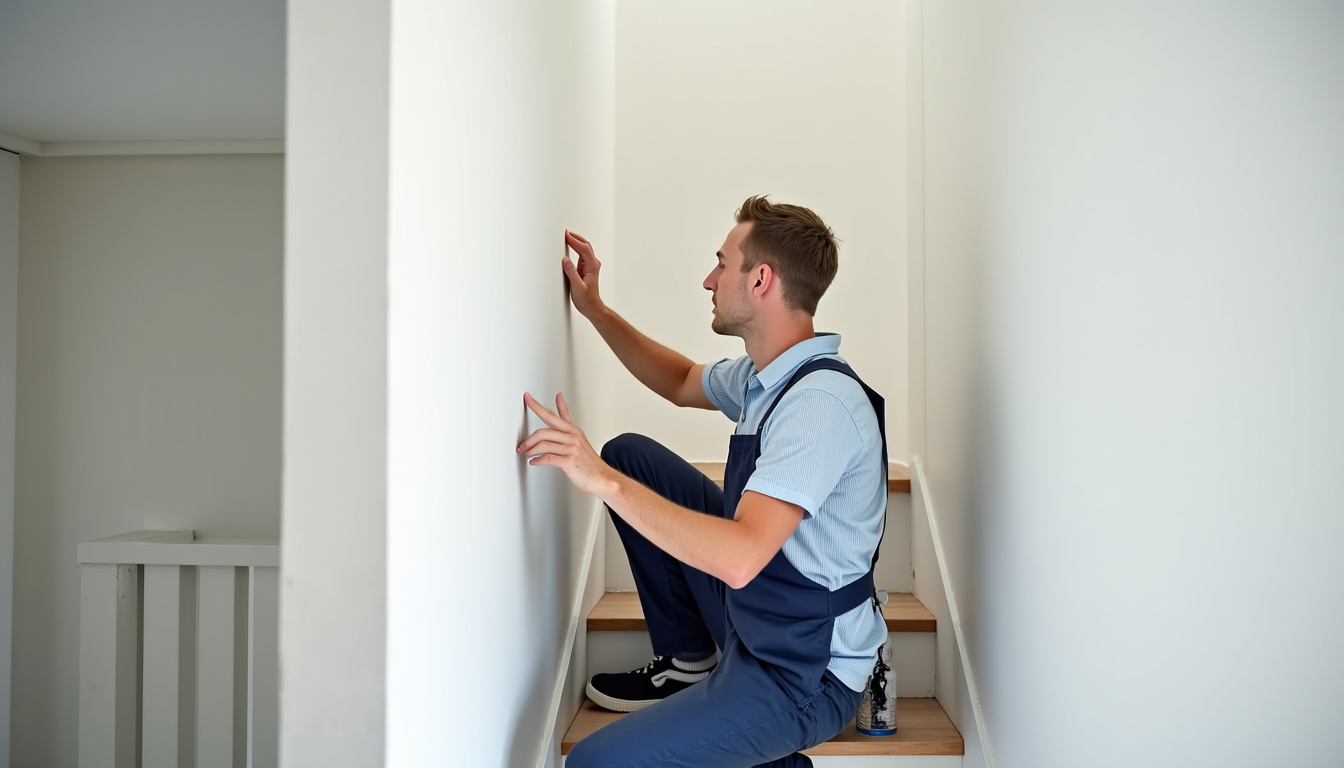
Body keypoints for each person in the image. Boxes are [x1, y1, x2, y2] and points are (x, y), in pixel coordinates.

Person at [517, 196, 889, 768]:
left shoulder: (817, 404)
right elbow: (680, 379)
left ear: (761, 279)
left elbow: (740, 558)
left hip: (804, 668)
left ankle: (771, 749)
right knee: (633, 456)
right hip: (759, 614)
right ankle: (691, 659)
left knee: (594, 764)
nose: (708, 279)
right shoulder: (768, 376)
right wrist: (593, 309)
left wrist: (600, 480)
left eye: (722, 263)